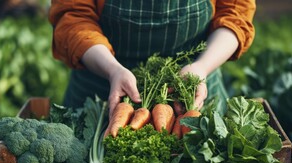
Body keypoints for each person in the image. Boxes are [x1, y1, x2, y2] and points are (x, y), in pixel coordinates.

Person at [48, 0, 256, 117]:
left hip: (194, 95)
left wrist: (201, 67)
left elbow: (235, 12)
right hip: (101, 96)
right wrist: (112, 70)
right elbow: (73, 17)